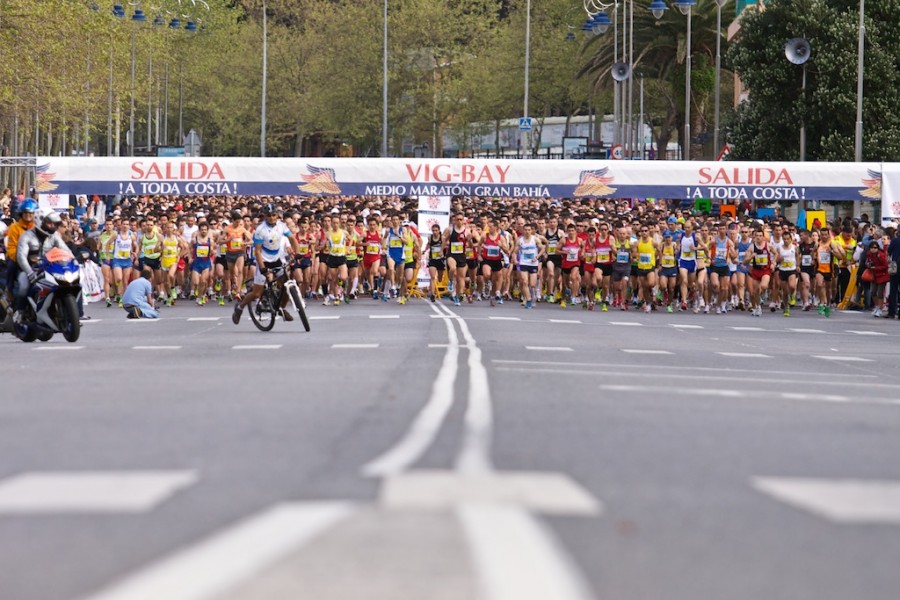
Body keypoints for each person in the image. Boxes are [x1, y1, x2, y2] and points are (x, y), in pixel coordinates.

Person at [232, 203, 298, 324]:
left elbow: (292, 238)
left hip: (277, 259)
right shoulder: (260, 230)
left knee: (286, 285)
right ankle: (240, 307)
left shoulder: (282, 226)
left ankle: (282, 308)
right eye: (269, 215)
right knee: (257, 293)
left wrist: (296, 253)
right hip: (264, 260)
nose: (272, 218)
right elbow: (257, 251)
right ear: (265, 216)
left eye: (274, 215)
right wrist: (262, 268)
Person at [14, 210, 68, 319]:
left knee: (67, 283)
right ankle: (19, 311)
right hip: (30, 269)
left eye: (55, 224)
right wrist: (29, 272)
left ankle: (74, 314)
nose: (53, 227)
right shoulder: (27, 236)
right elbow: (21, 257)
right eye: (50, 223)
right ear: (40, 221)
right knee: (24, 287)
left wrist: (73, 261)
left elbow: (66, 251)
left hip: (49, 268)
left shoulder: (55, 236)